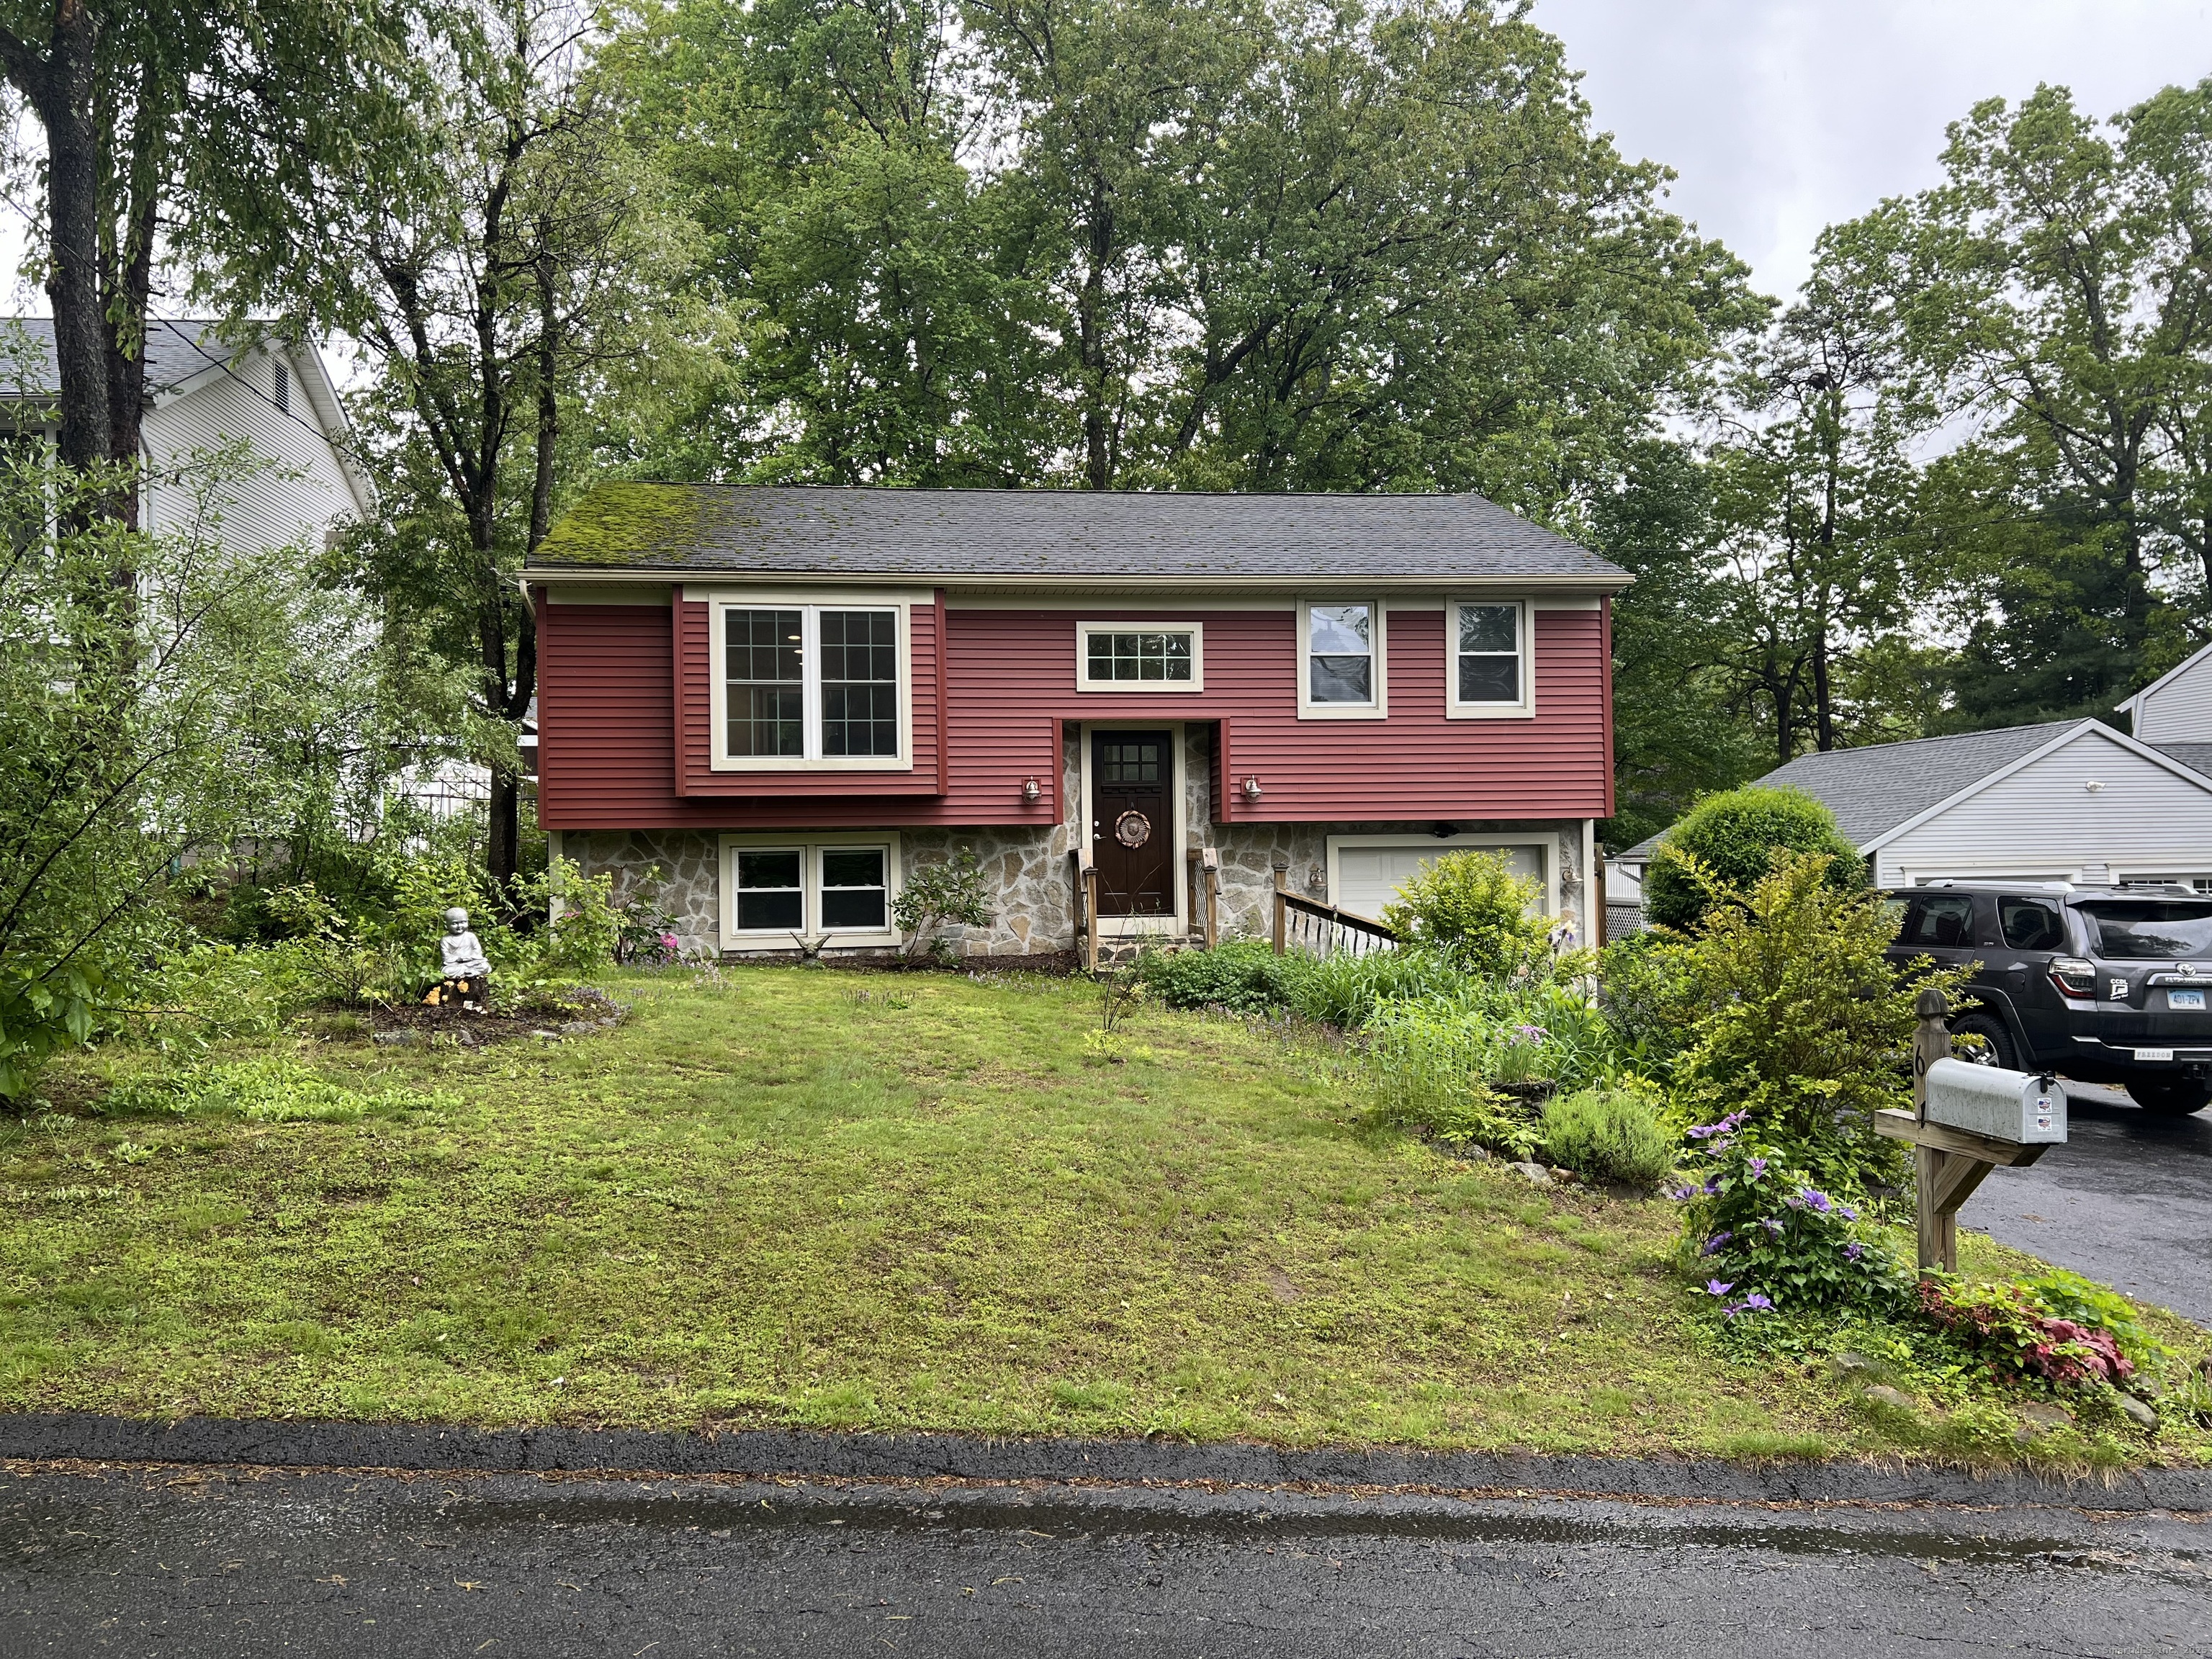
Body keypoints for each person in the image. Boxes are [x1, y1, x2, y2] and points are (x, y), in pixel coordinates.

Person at [433, 907, 493, 1011]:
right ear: (446, 924)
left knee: (485, 966)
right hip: (456, 965)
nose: (459, 926)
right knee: (446, 971)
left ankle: (473, 972)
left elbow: (478, 953)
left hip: (472, 963)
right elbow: (446, 958)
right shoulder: (445, 940)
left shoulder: (471, 937)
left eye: (463, 922)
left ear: (467, 922)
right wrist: (460, 959)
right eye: (455, 923)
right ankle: (469, 973)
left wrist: (469, 958)